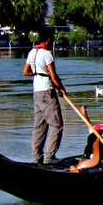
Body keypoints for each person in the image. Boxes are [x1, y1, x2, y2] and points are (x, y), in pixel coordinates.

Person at [23, 31, 67, 165]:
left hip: (36, 93)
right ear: (47, 40)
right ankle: (49, 157)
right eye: (52, 40)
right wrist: (62, 89)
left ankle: (37, 157)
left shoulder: (32, 52)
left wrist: (38, 73)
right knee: (57, 124)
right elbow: (53, 76)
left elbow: (25, 72)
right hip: (47, 93)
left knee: (39, 126)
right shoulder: (47, 54)